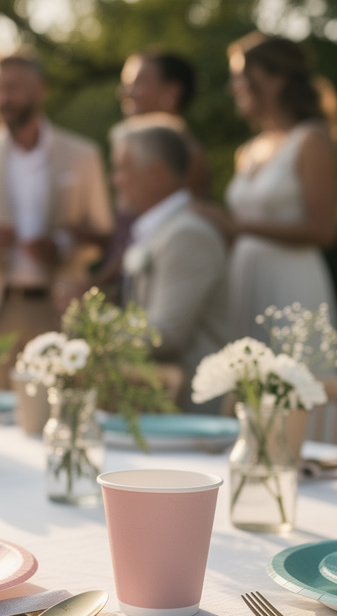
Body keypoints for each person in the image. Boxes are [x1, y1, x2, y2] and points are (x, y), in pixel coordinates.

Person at [0, 50, 113, 389]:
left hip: (58, 308)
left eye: (13, 88)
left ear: (40, 89)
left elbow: (102, 232)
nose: (3, 99)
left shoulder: (82, 155)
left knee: (61, 409)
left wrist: (62, 246)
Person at [193, 33, 337, 350]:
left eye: (242, 77)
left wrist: (238, 227)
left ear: (278, 79)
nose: (234, 87)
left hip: (290, 282)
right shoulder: (248, 151)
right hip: (245, 279)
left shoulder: (310, 140)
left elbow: (324, 230)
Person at [112, 118, 227, 412]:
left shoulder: (187, 234)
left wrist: (94, 335)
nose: (115, 179)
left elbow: (166, 335)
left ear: (157, 175)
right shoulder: (164, 231)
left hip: (189, 413)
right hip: (159, 404)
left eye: (123, 167)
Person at [95, 50, 209, 302]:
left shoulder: (185, 157)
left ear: (172, 92)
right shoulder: (132, 149)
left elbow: (154, 235)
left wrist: (95, 286)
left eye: (136, 83)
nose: (125, 93)